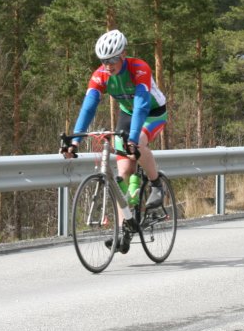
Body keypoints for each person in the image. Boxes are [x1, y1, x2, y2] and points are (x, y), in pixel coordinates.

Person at [61, 29, 168, 253]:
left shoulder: (139, 68)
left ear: (123, 55)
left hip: (152, 112)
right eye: (103, 61)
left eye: (112, 60)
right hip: (127, 114)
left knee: (138, 142)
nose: (107, 65)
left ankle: (157, 184)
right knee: (123, 173)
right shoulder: (100, 75)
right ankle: (123, 230)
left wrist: (132, 139)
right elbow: (88, 107)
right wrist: (75, 140)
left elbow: (141, 105)